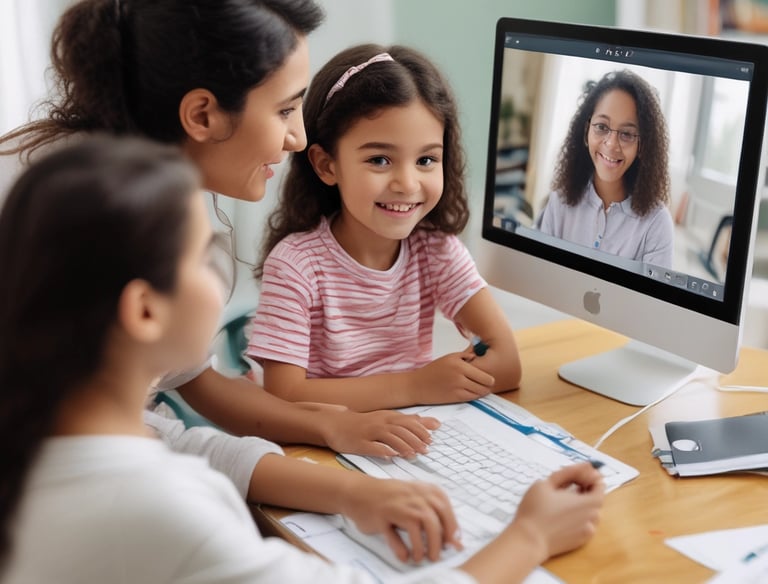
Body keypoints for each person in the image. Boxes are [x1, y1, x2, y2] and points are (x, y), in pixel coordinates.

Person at [0, 135, 605, 584]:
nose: (221, 283)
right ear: (144, 311)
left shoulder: (45, 442)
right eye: (203, 259)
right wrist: (529, 536)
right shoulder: (161, 509)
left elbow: (191, 445)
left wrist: (347, 494)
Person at [0, 0, 442, 507]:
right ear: (202, 114)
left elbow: (188, 376)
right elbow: (134, 444)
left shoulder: (146, 185)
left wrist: (327, 424)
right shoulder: (81, 220)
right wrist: (347, 490)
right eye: (284, 109)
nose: (298, 137)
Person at [248, 44, 523, 412]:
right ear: (327, 165)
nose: (407, 184)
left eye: (426, 159)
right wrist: (415, 386)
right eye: (380, 160)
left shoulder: (436, 249)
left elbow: (508, 365)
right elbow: (283, 396)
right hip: (324, 444)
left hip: (409, 435)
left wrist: (437, 385)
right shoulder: (296, 266)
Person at [537, 69, 674, 268]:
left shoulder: (657, 223)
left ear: (642, 145)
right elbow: (540, 276)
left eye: (627, 133)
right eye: (602, 127)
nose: (611, 144)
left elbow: (655, 299)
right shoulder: (559, 202)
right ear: (586, 132)